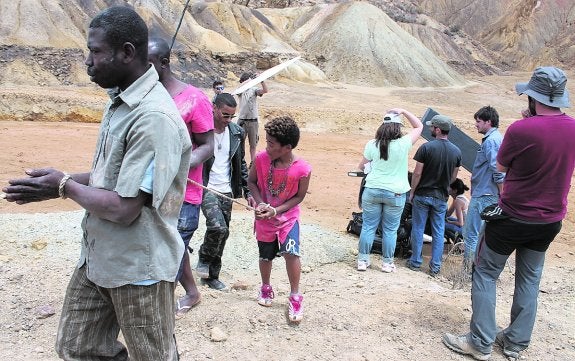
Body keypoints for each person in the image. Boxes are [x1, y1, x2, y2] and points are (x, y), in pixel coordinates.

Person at [3, 6, 191, 360]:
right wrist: (59, 181)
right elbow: (112, 179)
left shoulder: (153, 118)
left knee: (153, 356)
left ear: (127, 53)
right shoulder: (120, 101)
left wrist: (63, 187)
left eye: (95, 51)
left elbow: (125, 208)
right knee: (78, 347)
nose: (88, 61)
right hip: (98, 257)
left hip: (138, 269)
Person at [443, 66, 575, 360]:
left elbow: (500, 169)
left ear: (532, 97)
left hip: (512, 216)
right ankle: (515, 342)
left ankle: (480, 341)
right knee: (529, 278)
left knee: (486, 272)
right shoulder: (573, 128)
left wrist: (528, 127)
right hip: (550, 220)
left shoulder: (520, 129)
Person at [148, 38, 214, 317]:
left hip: (183, 192)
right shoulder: (146, 94)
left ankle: (157, 309)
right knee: (172, 246)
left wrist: (180, 166)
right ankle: (192, 292)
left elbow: (208, 146)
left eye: (148, 64)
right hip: (151, 188)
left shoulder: (193, 99)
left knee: (171, 249)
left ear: (164, 63)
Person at [247, 116, 312, 323]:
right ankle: (265, 287)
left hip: (288, 219)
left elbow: (299, 197)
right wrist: (260, 203)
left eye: (271, 144)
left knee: (291, 254)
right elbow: (251, 182)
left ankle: (295, 296)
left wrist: (276, 211)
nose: (266, 147)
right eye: (266, 141)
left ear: (287, 147)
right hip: (263, 218)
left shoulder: (302, 169)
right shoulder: (260, 159)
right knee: (265, 256)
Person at [196, 93, 253, 290]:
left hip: (226, 190)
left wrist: (248, 192)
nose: (228, 120)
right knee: (217, 227)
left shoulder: (237, 132)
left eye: (231, 116)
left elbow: (241, 164)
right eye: (225, 115)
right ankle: (203, 258)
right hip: (206, 187)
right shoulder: (202, 130)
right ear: (214, 108)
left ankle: (212, 276)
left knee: (225, 232)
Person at [355, 109, 423, 272]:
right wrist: (404, 111)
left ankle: (363, 261)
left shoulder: (372, 144)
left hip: (372, 190)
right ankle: (387, 263)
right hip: (396, 192)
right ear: (398, 128)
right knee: (390, 229)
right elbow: (419, 126)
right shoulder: (404, 143)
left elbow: (362, 166)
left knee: (368, 226)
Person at [406, 114, 462, 277]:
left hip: (423, 194)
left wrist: (412, 191)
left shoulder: (426, 148)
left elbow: (417, 173)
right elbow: (453, 177)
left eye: (432, 127)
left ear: (437, 129)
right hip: (440, 197)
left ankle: (415, 262)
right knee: (439, 231)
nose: (430, 129)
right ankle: (435, 266)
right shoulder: (456, 151)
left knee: (418, 227)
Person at [462, 106, 504, 268]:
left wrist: (502, 193)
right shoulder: (494, 139)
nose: (476, 125)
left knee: (471, 234)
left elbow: (497, 170)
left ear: (489, 122)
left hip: (484, 195)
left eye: (478, 121)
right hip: (487, 193)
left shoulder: (492, 141)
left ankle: (468, 271)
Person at [237, 72, 268, 164]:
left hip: (253, 121)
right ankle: (240, 162)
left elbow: (265, 90)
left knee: (253, 144)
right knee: (239, 143)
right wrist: (249, 81)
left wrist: (261, 80)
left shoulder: (254, 90)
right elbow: (238, 89)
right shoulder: (240, 91)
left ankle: (253, 163)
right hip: (242, 120)